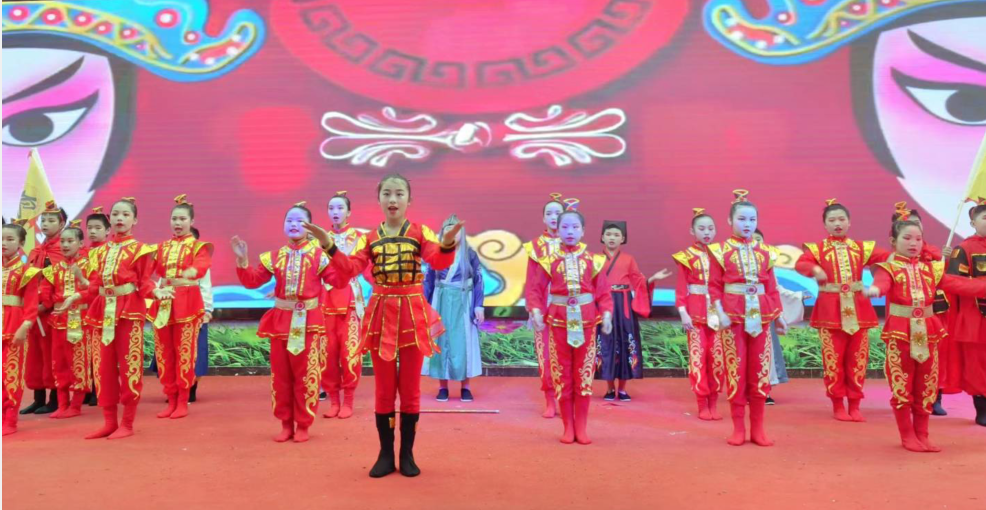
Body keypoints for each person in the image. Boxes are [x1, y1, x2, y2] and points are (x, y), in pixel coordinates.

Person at [304, 173, 463, 478]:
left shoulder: (419, 232)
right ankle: (385, 454)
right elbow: (350, 268)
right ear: (378, 199)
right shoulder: (369, 238)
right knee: (384, 389)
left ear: (409, 200)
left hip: (413, 313)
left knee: (411, 389)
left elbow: (438, 260)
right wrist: (328, 245)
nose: (393, 199)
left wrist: (446, 245)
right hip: (381, 314)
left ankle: (407, 454)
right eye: (387, 193)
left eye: (399, 194)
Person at [865, 208, 986, 452]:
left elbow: (960, 284)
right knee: (903, 386)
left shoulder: (931, 269)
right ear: (893, 241)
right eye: (907, 238)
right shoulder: (889, 269)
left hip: (929, 333)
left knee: (927, 386)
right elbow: (882, 284)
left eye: (918, 239)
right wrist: (875, 290)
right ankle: (907, 436)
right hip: (901, 334)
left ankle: (923, 434)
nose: (913, 243)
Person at [62, 198, 165, 440]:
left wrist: (156, 292)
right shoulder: (98, 252)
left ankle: (127, 423)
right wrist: (76, 296)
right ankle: (109, 422)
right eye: (116, 214)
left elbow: (144, 283)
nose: (120, 218)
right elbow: (94, 286)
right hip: (101, 312)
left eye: (125, 214)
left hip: (128, 312)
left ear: (134, 220)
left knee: (130, 366)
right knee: (102, 369)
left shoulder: (141, 250)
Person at [232, 202, 332, 443]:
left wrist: (334, 251)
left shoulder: (319, 256)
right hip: (281, 322)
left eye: (299, 221)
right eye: (289, 220)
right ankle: (286, 423)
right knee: (281, 376)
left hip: (307, 323)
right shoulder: (275, 256)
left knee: (305, 375)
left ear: (310, 227)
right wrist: (243, 261)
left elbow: (338, 279)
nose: (293, 224)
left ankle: (304, 424)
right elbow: (252, 281)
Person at [527, 201, 614, 445]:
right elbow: (535, 290)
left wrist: (607, 315)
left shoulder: (594, 260)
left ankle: (582, 428)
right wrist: (536, 311)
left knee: (583, 375)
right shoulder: (549, 260)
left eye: (575, 227)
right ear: (558, 230)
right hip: (558, 323)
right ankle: (568, 427)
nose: (569, 231)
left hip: (586, 322)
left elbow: (604, 293)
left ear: (583, 231)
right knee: (562, 374)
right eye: (564, 227)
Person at [709, 190, 786, 447]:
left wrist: (779, 317)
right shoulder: (719, 252)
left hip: (761, 317)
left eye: (752, 220)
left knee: (760, 371)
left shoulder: (767, 252)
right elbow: (714, 286)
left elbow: (772, 287)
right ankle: (738, 428)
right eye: (742, 219)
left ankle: (759, 429)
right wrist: (720, 313)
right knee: (736, 370)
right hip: (733, 317)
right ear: (730, 220)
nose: (747, 224)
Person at [149, 195, 212, 419]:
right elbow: (146, 271)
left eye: (182, 219)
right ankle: (171, 398)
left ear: (191, 221)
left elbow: (203, 264)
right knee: (165, 353)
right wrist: (152, 288)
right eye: (174, 219)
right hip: (164, 303)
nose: (178, 223)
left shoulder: (198, 247)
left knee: (184, 352)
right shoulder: (161, 247)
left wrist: (193, 271)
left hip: (187, 304)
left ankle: (183, 400)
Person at [598, 220, 668, 402]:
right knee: (606, 343)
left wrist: (652, 279)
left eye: (616, 235)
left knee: (625, 342)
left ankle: (622, 389)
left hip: (624, 304)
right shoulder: (595, 259)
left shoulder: (629, 259)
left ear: (623, 239)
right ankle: (609, 388)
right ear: (602, 237)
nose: (612, 238)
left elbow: (638, 282)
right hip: (605, 304)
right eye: (608, 234)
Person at [423, 214, 485, 402]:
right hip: (440, 300)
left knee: (462, 343)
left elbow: (478, 280)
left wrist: (478, 305)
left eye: (456, 231)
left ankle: (465, 387)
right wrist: (423, 305)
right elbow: (428, 281)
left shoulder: (470, 254)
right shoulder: (436, 254)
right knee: (440, 342)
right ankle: (443, 387)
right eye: (448, 231)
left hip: (463, 302)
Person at [319, 191, 367, 419]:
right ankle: (333, 401)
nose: (335, 212)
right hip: (325, 301)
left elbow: (367, 270)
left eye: (340, 208)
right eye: (331, 208)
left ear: (349, 212)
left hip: (350, 301)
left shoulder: (359, 239)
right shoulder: (319, 239)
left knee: (349, 354)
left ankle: (348, 400)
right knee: (327, 354)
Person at [673, 209, 724, 419]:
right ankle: (702, 403)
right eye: (701, 229)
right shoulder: (686, 257)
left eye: (711, 228)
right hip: (695, 315)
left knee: (718, 359)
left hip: (719, 314)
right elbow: (681, 289)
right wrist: (683, 313)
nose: (707, 233)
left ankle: (714, 402)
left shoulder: (722, 255)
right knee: (698, 358)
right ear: (692, 231)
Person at [39, 220, 91, 419]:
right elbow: (46, 294)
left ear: (80, 243)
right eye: (63, 241)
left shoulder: (89, 265)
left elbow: (95, 291)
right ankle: (62, 404)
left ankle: (76, 405)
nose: (65, 245)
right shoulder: (53, 269)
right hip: (59, 321)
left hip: (80, 320)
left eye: (70, 241)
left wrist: (81, 280)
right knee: (59, 362)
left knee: (77, 362)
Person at [22, 200, 67, 415]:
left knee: (53, 356)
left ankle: (55, 399)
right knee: (35, 357)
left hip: (53, 312)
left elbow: (64, 281)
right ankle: (38, 398)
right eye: (44, 220)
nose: (46, 224)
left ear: (62, 224)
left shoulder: (62, 250)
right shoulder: (34, 252)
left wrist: (46, 304)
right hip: (34, 313)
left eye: (51, 220)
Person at [944, 199, 986, 427]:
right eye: (985, 218)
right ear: (973, 223)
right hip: (975, 318)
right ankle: (982, 410)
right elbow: (952, 282)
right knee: (977, 365)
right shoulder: (963, 249)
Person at [524, 194, 566, 418]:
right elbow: (532, 281)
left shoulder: (574, 244)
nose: (553, 217)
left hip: (570, 309)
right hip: (544, 307)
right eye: (549, 213)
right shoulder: (535, 247)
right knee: (546, 356)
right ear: (543, 218)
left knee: (568, 356)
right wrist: (534, 309)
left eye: (558, 213)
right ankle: (550, 400)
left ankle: (567, 399)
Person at [2, 220, 42, 435]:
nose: (3, 243)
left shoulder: (28, 272)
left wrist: (24, 327)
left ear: (20, 243)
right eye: (1, 239)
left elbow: (31, 305)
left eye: (9, 239)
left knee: (11, 374)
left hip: (14, 327)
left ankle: (10, 420)